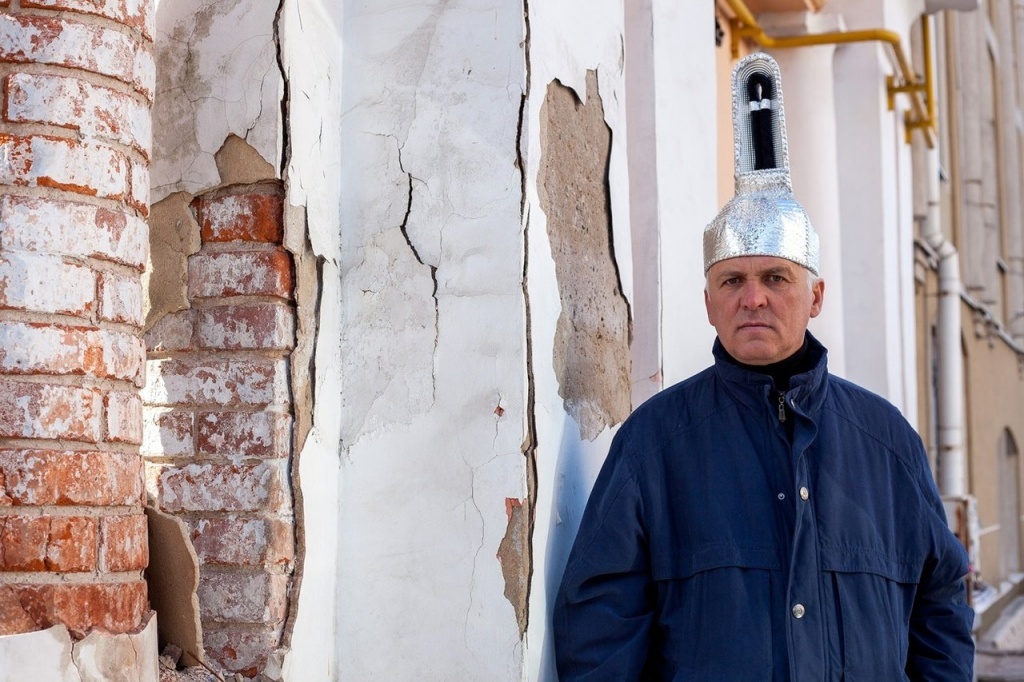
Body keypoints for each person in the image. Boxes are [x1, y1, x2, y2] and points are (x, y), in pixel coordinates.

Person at [552, 52, 974, 680]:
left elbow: (940, 608)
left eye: (776, 277)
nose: (753, 298)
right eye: (733, 281)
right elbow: (601, 629)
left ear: (816, 297)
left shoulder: (886, 446)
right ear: (708, 302)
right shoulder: (655, 446)